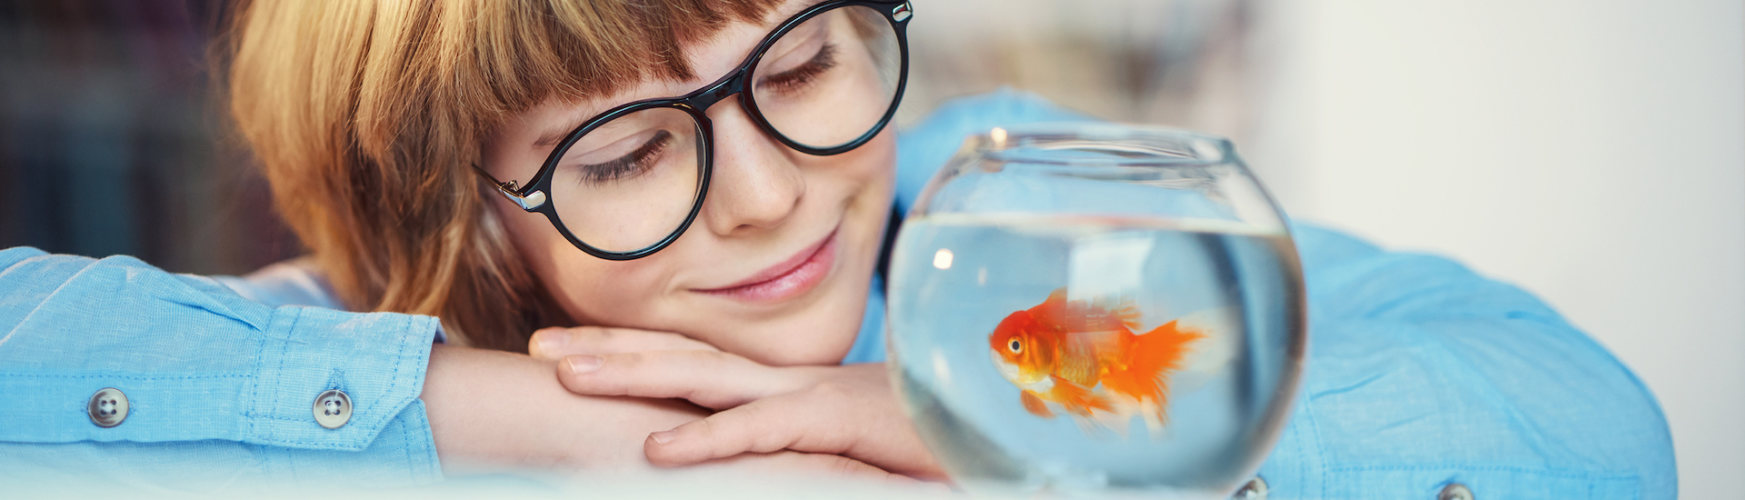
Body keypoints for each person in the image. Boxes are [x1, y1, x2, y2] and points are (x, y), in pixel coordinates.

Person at [0, 0, 1675, 497]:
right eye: (636, 147)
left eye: (799, 67)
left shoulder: (992, 213)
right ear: (459, 217)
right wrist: (525, 408)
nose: (767, 194)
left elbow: (1587, 420)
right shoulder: (384, 334)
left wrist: (1010, 411)